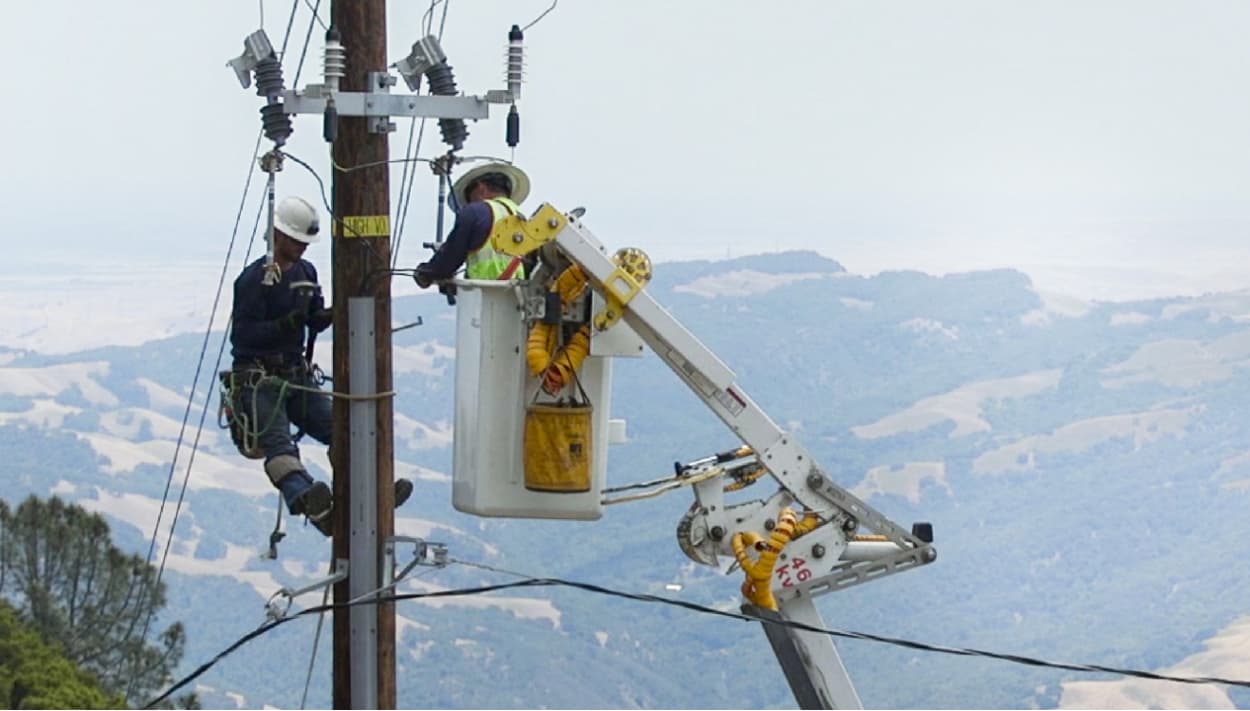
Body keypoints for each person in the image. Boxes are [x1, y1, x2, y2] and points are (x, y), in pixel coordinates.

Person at [230, 196, 412, 536]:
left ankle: (375, 489)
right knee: (279, 445)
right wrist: (287, 324)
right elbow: (243, 335)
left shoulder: (305, 273)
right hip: (258, 378)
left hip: (294, 375)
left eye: (304, 243)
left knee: (342, 429)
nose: (300, 248)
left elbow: (312, 318)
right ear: (277, 236)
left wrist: (327, 316)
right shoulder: (254, 280)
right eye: (295, 241)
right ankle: (311, 503)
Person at [414, 162, 531, 286]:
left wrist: (427, 272)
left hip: (485, 294)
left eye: (470, 199)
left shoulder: (476, 212)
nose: (470, 204)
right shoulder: (521, 218)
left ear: (481, 188)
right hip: (517, 296)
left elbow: (451, 256)